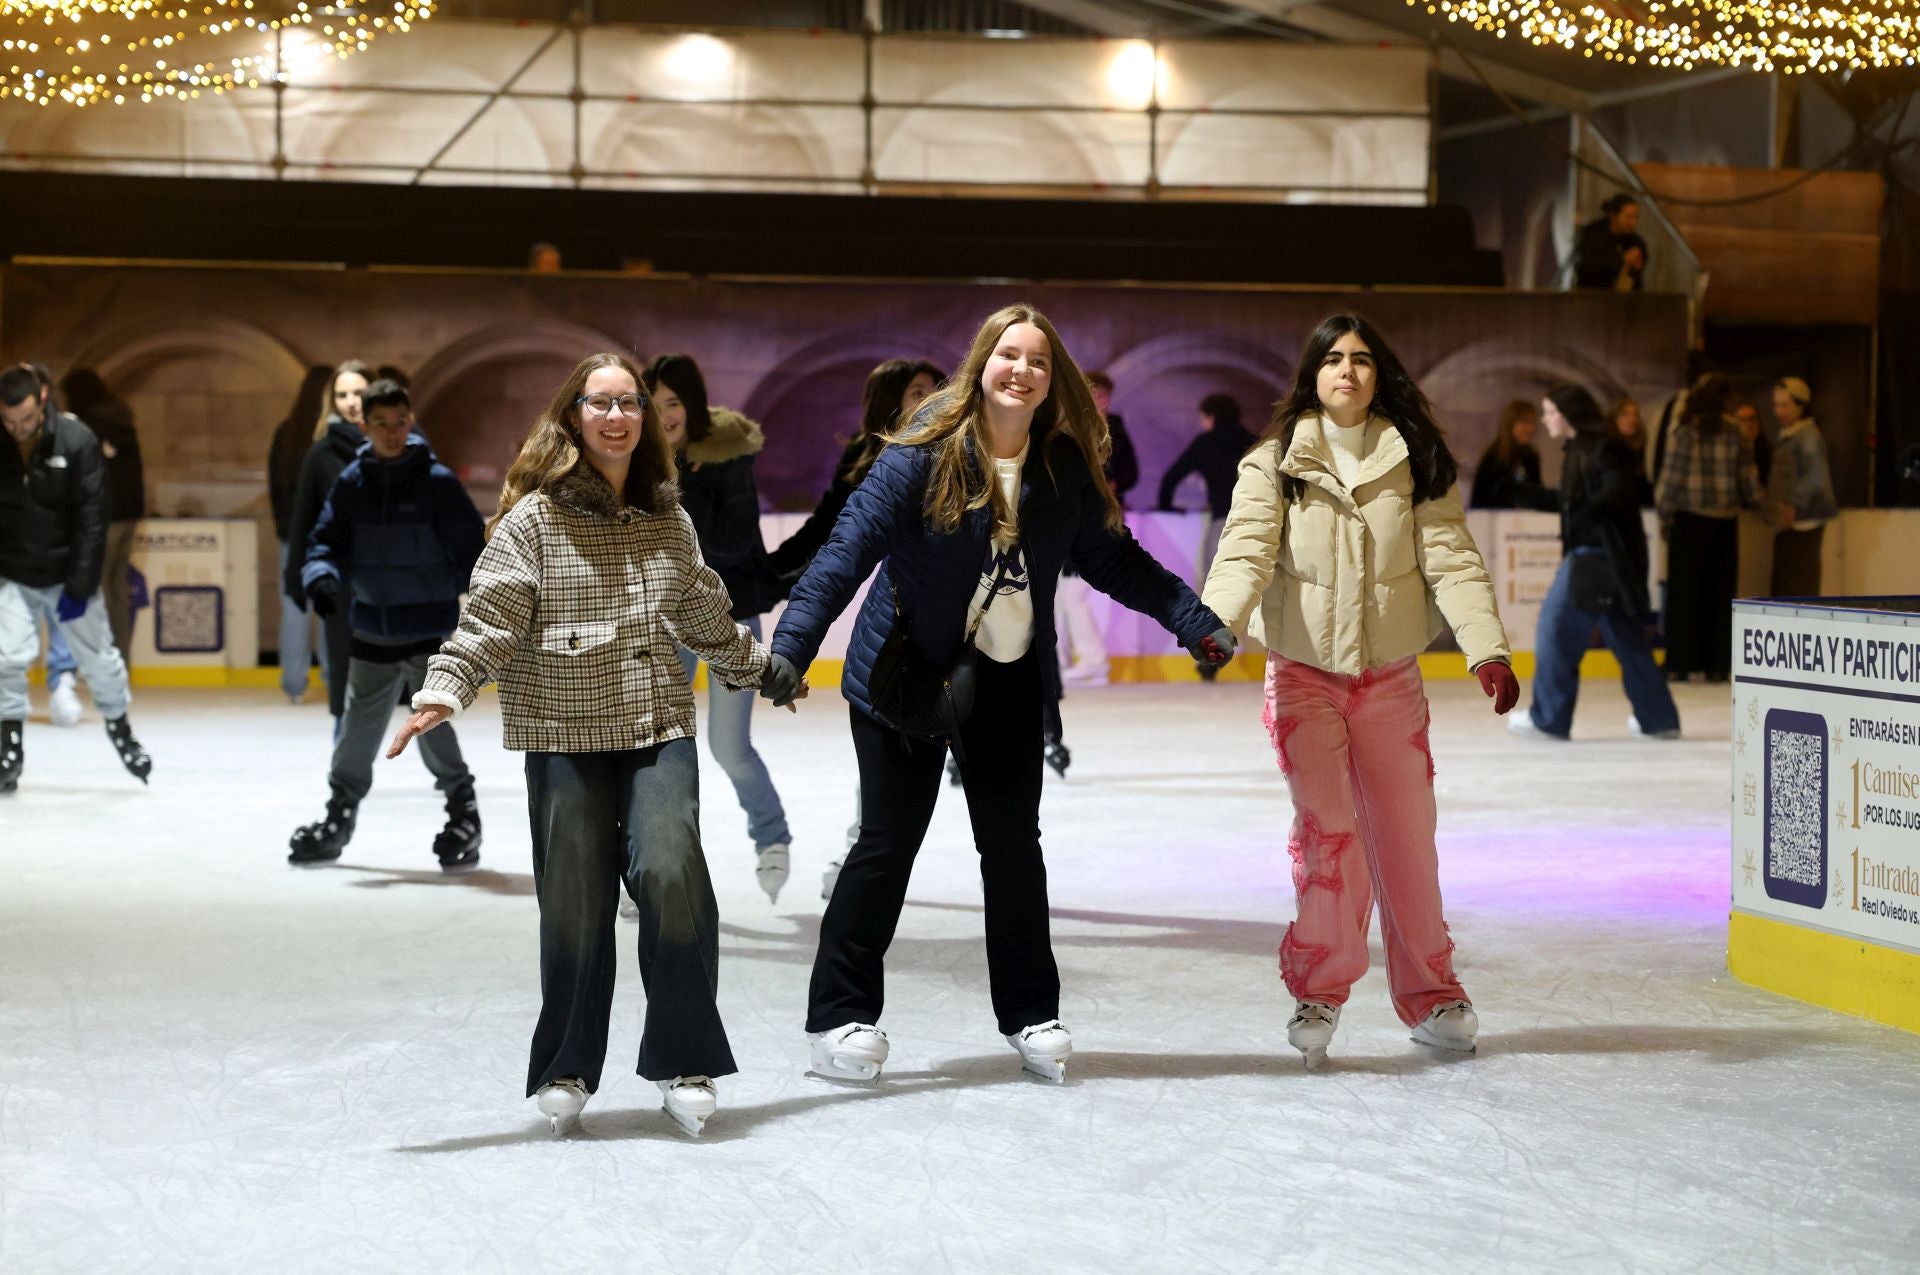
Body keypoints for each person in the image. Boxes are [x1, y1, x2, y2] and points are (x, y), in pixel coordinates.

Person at [768, 303, 1234, 1087]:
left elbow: (1113, 559)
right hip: (905, 672)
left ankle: (1029, 1012)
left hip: (1007, 677)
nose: (1022, 370)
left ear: (1053, 381)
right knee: (886, 844)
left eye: (1038, 360)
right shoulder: (922, 453)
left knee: (1014, 850)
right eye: (1009, 355)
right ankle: (839, 1015)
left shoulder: (1059, 468)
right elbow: (848, 547)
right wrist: (792, 645)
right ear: (981, 364)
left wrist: (1190, 617)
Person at [388, 352, 804, 1138]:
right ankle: (567, 1062)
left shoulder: (668, 518)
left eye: (629, 404)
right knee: (576, 898)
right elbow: (490, 618)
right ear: (573, 415)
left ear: (645, 419)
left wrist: (763, 670)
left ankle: (685, 1056)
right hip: (563, 732)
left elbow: (705, 615)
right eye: (600, 403)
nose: (617, 417)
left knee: (672, 870)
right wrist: (446, 687)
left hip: (654, 725)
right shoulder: (534, 522)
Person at [1201, 313, 1515, 1069]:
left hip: (1391, 680)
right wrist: (1214, 622)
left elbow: (1452, 557)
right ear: (1313, 373)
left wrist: (1486, 648)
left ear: (1380, 375)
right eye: (1334, 358)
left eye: (1363, 359)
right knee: (1329, 837)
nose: (1348, 370)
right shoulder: (1273, 463)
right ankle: (1319, 991)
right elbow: (1245, 551)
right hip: (1303, 677)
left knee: (1407, 839)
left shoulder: (1414, 458)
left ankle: (1433, 996)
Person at [286, 379, 486, 869]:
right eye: (382, 424)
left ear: (410, 420)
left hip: (427, 631)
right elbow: (324, 541)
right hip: (371, 630)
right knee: (357, 731)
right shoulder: (353, 483)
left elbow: (471, 551)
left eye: (400, 422)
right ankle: (339, 814)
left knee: (434, 729)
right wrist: (321, 577)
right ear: (365, 426)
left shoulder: (437, 482)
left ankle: (463, 811)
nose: (393, 432)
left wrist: (476, 602)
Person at [771, 357, 945, 902]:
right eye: (917, 392)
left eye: (935, 390)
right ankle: (858, 851)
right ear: (892, 401)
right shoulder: (868, 461)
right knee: (885, 752)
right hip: (893, 628)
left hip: (959, 636)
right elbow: (828, 537)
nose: (930, 400)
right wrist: (768, 578)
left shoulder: (958, 454)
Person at [643, 352, 795, 903]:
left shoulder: (726, 459)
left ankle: (771, 838)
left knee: (728, 746)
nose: (664, 416)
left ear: (692, 404)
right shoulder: (637, 462)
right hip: (665, 620)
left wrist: (684, 490)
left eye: (673, 403)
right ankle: (648, 864)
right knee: (654, 747)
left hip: (728, 618)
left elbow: (736, 541)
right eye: (653, 404)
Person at [0, 363, 153, 793]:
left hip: (67, 575)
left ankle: (121, 729)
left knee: (99, 660)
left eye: (25, 419)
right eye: (8, 421)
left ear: (42, 400)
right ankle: (8, 746)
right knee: (6, 658)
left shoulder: (76, 439)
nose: (18, 429)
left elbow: (92, 519)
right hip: (14, 573)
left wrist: (81, 584)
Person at [1508, 386, 1681, 742]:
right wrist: (1526, 494)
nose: (1545, 420)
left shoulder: (1604, 447)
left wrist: (1586, 513)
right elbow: (1573, 501)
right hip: (1604, 558)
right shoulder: (1582, 449)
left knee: (1555, 630)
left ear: (1568, 413)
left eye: (1550, 412)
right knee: (1626, 637)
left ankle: (1549, 719)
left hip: (1597, 557)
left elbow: (1616, 491)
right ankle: (1659, 718)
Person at [1656, 373, 1763, 683]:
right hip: (1725, 523)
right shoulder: (1736, 431)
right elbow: (1749, 480)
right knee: (1720, 595)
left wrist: (1664, 515)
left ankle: (1680, 662)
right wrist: (1764, 508)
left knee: (1684, 595)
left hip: (1689, 520)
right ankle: (1717, 664)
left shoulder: (1685, 430)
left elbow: (1671, 480)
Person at [283, 359, 372, 724]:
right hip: (342, 573)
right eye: (342, 395)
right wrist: (296, 575)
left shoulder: (402, 446)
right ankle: (345, 748)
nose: (350, 402)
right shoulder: (321, 454)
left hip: (390, 576)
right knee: (341, 663)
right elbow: (303, 518)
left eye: (358, 393)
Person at [1158, 392, 1259, 680]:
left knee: (1216, 592)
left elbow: (1171, 477)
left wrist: (1166, 505)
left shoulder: (1205, 443)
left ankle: (1211, 659)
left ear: (1210, 416)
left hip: (1222, 522)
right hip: (1256, 522)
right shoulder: (1253, 442)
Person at [58, 369, 143, 664]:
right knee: (117, 589)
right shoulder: (122, 419)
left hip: (104, 516)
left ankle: (102, 661)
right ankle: (120, 659)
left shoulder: (88, 426)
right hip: (130, 515)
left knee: (97, 589)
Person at [270, 366, 338, 704]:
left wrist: (285, 529)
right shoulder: (329, 437)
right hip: (326, 536)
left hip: (293, 537)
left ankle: (293, 684)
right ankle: (332, 678)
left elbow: (275, 487)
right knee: (330, 608)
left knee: (294, 608)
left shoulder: (287, 432)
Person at [1766, 376, 1838, 598]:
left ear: (1800, 406)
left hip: (1804, 520)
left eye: (1785, 405)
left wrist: (1792, 503)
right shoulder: (1791, 434)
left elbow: (1817, 475)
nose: (1779, 411)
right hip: (1793, 520)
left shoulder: (1807, 435)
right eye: (1776, 405)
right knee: (1788, 578)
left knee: (1797, 579)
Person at [1468, 400, 1552, 510]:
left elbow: (1537, 494)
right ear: (1510, 424)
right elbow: (1482, 498)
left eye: (1532, 423)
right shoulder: (1494, 457)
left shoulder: (1531, 456)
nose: (1530, 428)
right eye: (1524, 422)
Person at [1573, 193, 1648, 292]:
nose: (1633, 222)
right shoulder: (1593, 235)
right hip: (1593, 294)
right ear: (1613, 216)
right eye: (1628, 217)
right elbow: (1590, 267)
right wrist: (1622, 260)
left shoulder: (1634, 241)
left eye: (1635, 217)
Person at [1610, 398, 1655, 506]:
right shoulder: (1608, 447)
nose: (1632, 419)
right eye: (1625, 414)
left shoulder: (1645, 445)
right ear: (1615, 418)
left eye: (1635, 415)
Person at [1733, 400, 1774, 486]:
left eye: (1752, 419)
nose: (1748, 424)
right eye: (1742, 420)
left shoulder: (1770, 451)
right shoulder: (1732, 452)